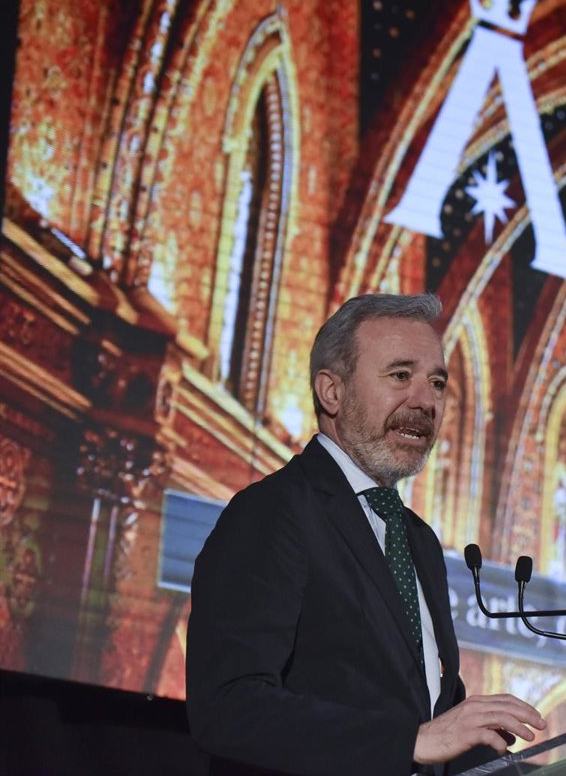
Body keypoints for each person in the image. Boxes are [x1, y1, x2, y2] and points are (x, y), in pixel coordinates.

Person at [186, 294, 545, 776]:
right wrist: (410, 742)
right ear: (331, 392)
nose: (425, 401)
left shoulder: (417, 540)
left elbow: (432, 724)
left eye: (437, 383)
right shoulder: (274, 511)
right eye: (400, 375)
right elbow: (229, 707)